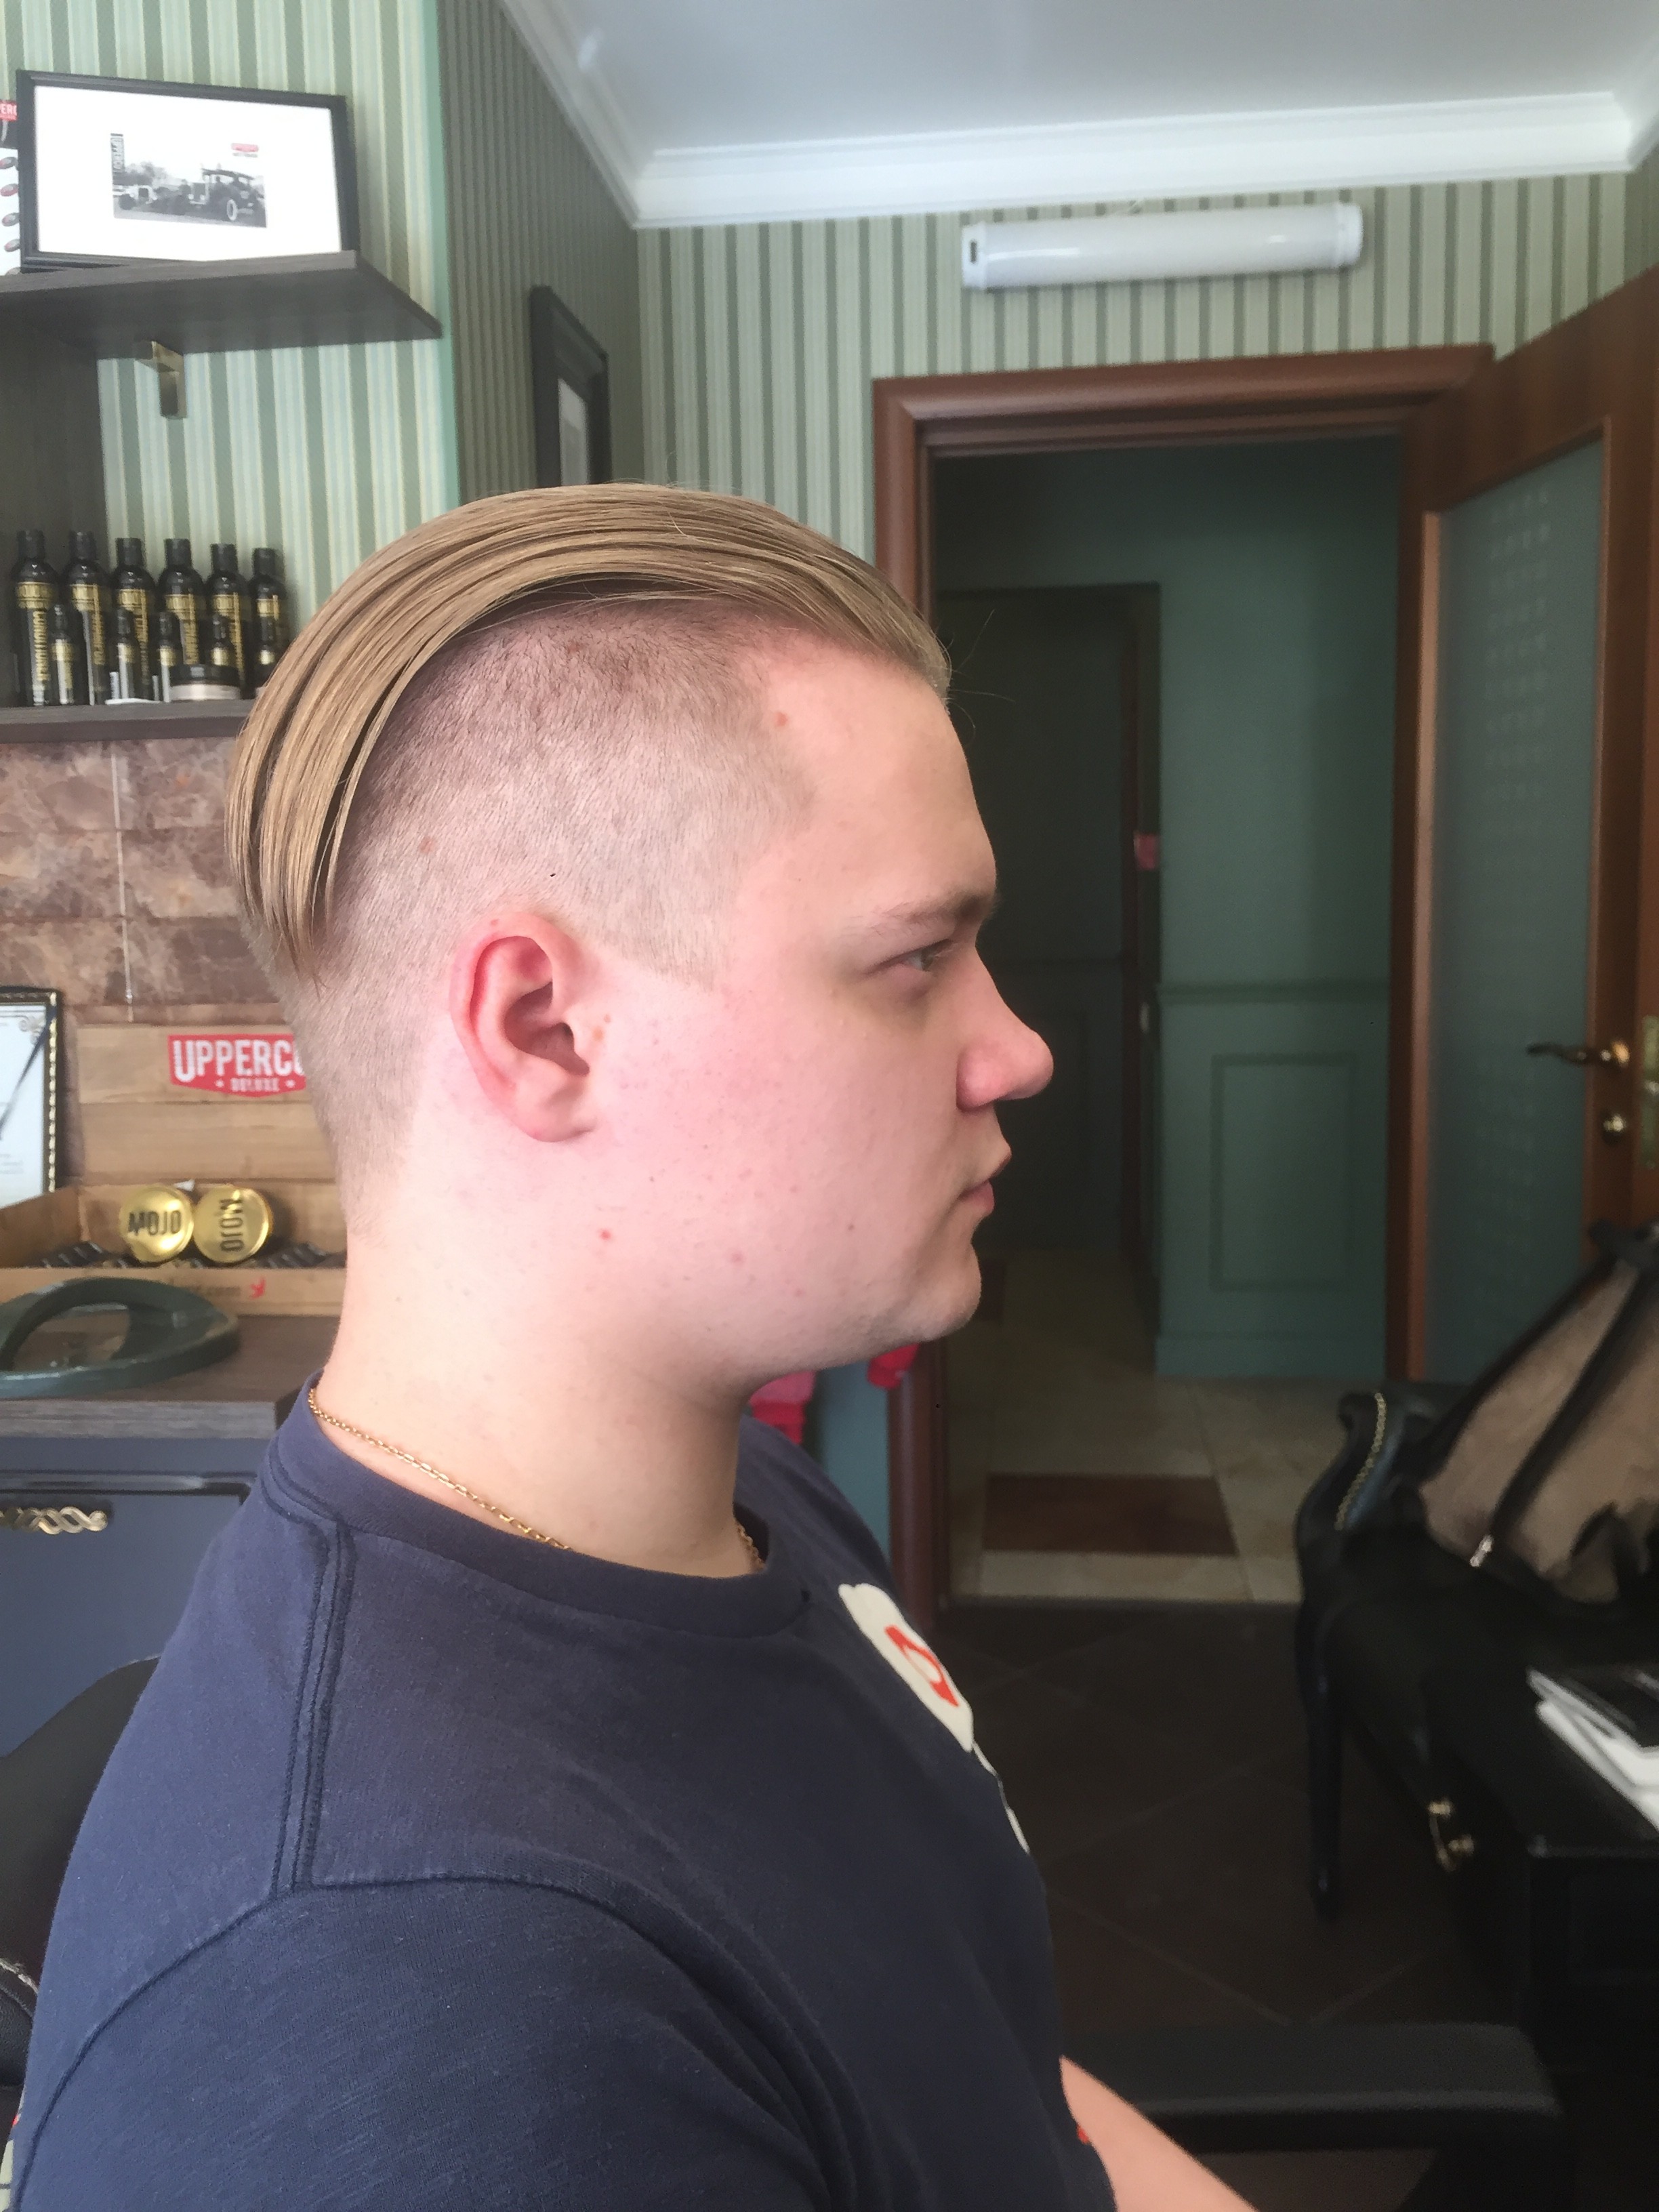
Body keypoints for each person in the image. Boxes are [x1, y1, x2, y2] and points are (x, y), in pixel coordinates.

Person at [12, 487, 1246, 2210]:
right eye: (919, 959)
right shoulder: (420, 2036)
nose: (1018, 1050)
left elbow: (960, 2055)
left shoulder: (727, 1499)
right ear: (544, 1029)